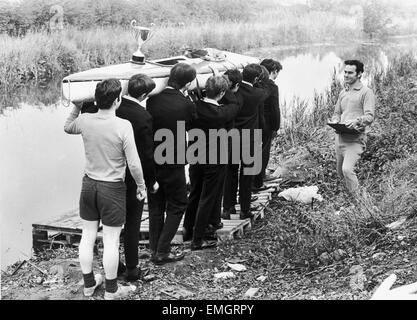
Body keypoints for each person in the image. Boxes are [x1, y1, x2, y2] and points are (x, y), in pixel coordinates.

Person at [64, 78, 146, 300]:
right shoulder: (123, 125)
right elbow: (135, 163)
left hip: (89, 185)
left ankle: (89, 285)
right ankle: (111, 290)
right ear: (118, 100)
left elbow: (67, 126)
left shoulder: (85, 120)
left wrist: (77, 105)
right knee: (110, 240)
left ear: (96, 100)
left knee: (87, 235)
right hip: (112, 188)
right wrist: (141, 186)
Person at [146, 63, 197, 265]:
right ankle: (163, 251)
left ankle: (153, 248)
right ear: (187, 83)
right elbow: (193, 124)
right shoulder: (185, 104)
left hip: (153, 158)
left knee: (156, 205)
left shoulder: (152, 99)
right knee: (178, 205)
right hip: (174, 160)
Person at [183, 75, 241, 250]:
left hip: (195, 157)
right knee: (207, 198)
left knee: (194, 193)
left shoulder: (192, 107)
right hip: (214, 160)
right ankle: (198, 240)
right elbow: (235, 104)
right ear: (222, 93)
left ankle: (187, 228)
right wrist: (226, 87)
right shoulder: (221, 113)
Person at [115, 74, 159, 281]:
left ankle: (114, 265)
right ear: (143, 95)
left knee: (112, 225)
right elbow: (147, 154)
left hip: (109, 174)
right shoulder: (143, 116)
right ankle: (132, 269)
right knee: (132, 223)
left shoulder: (112, 107)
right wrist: (151, 182)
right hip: (132, 177)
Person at [222, 63, 265, 220]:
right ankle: (245, 209)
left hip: (231, 136)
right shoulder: (258, 93)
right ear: (255, 78)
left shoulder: (230, 92)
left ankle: (228, 208)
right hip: (249, 138)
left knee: (230, 173)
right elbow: (264, 89)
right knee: (247, 174)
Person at [330, 60, 375, 193]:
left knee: (347, 170)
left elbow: (370, 117)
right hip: (340, 139)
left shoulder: (366, 92)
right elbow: (337, 113)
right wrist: (334, 120)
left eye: (350, 73)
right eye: (345, 72)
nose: (346, 75)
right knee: (340, 174)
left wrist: (357, 121)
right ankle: (346, 201)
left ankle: (360, 202)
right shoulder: (343, 92)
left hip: (355, 139)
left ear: (359, 74)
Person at [253, 59, 282, 190]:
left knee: (254, 151)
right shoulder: (272, 86)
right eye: (277, 72)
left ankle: (255, 177)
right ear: (274, 71)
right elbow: (275, 109)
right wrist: (276, 127)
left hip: (254, 122)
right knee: (264, 151)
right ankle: (259, 179)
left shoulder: (255, 84)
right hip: (267, 124)